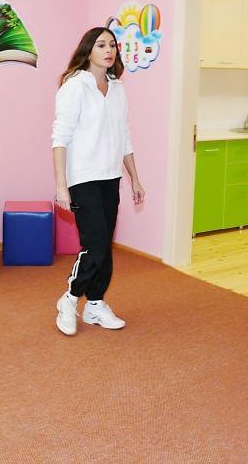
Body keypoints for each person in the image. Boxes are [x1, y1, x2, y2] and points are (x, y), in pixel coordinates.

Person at [51, 27, 145, 336]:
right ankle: (69, 299)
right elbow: (60, 138)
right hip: (83, 178)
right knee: (96, 245)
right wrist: (62, 185)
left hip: (110, 177)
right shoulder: (75, 87)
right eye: (101, 45)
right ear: (88, 50)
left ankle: (95, 304)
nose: (109, 50)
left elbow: (124, 136)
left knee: (105, 244)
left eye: (112, 45)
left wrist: (135, 178)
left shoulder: (117, 88)